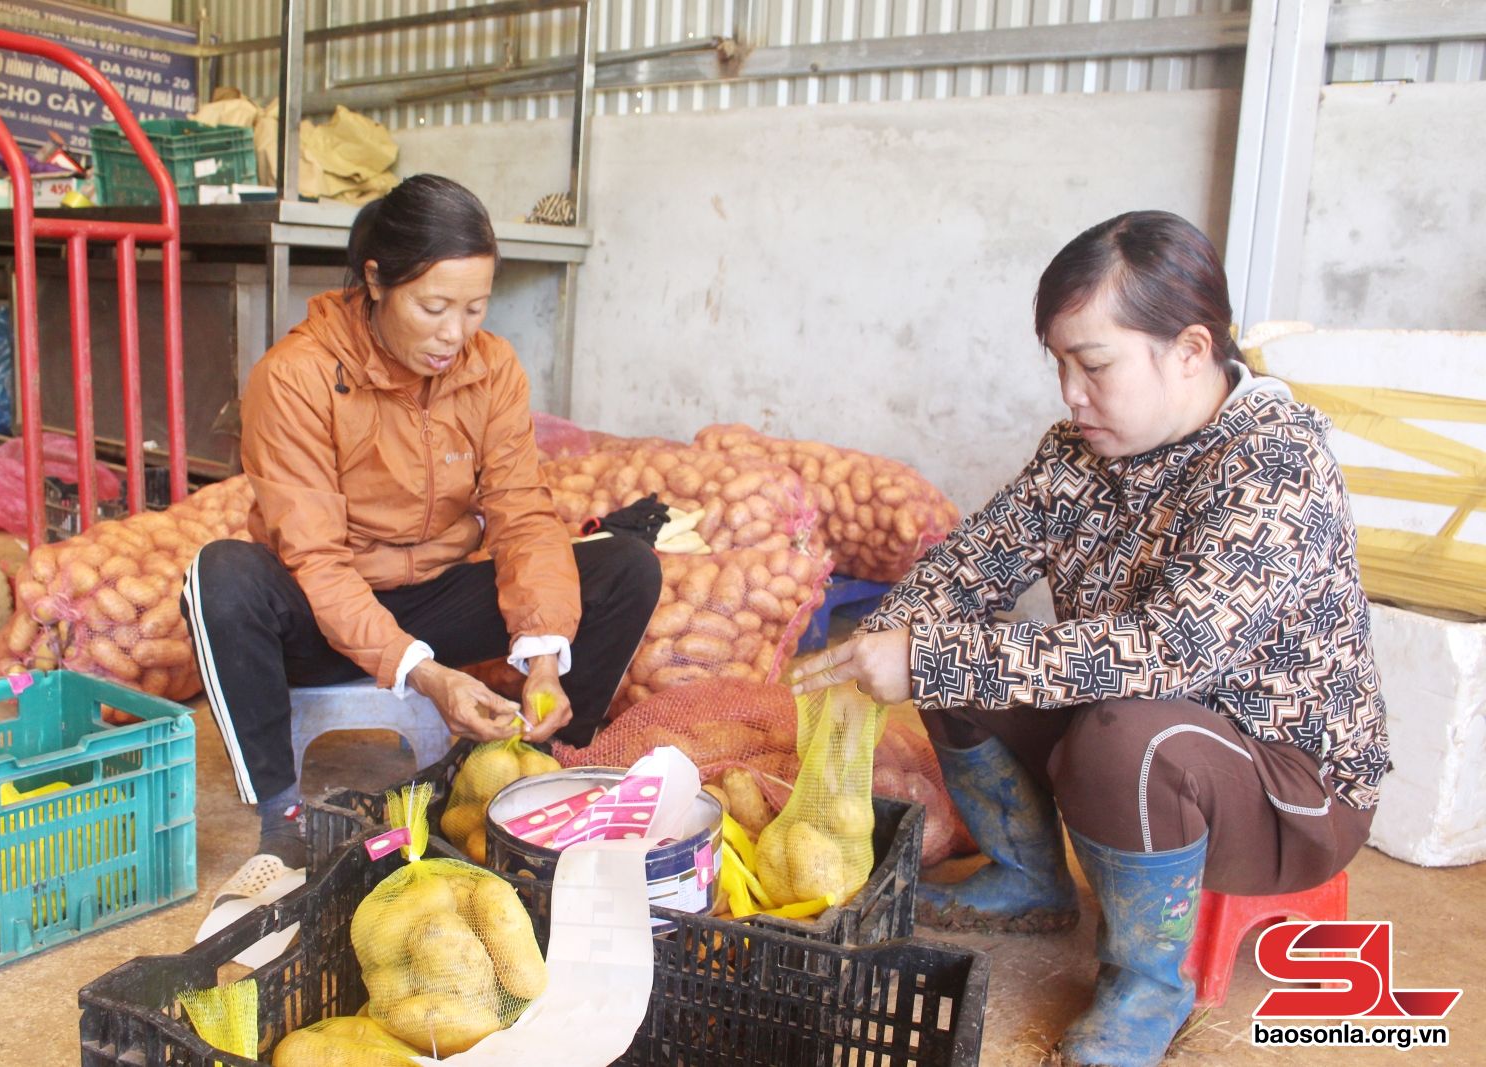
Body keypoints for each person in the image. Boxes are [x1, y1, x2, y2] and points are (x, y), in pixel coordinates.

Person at [790, 211, 1388, 1067]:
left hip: (1288, 783)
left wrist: (929, 654)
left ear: (1188, 350)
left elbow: (1168, 652)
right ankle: (1030, 878)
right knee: (957, 650)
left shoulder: (1276, 462)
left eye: (1095, 365)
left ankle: (1149, 983)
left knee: (1126, 732)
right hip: (1139, 728)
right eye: (1062, 365)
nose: (1072, 392)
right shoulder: (1078, 454)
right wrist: (889, 636)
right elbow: (972, 564)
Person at [182, 174, 662, 925]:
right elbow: (316, 560)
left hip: (435, 597)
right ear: (375, 279)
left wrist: (542, 655)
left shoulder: (490, 367)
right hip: (321, 615)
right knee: (222, 576)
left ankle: (529, 768)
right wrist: (428, 677)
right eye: (434, 307)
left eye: (474, 308)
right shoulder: (297, 377)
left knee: (624, 565)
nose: (454, 333)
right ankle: (284, 818)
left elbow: (522, 514)